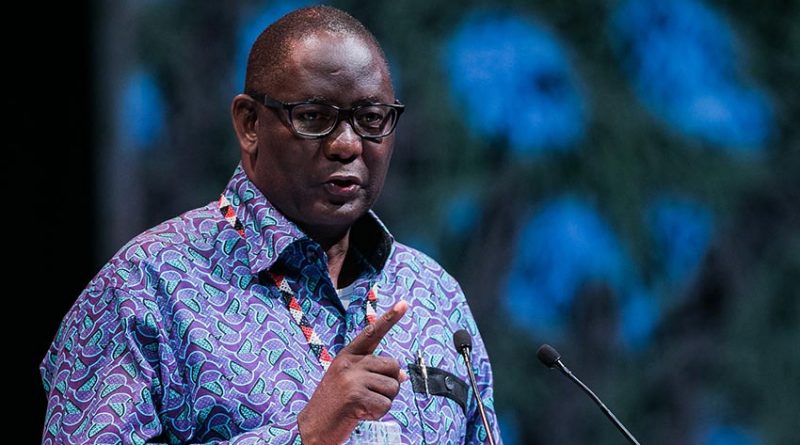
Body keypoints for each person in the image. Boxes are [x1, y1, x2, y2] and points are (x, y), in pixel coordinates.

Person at [41, 6, 501, 444]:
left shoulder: (433, 294)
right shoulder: (146, 286)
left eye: (370, 119)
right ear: (249, 124)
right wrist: (304, 436)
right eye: (314, 117)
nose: (347, 144)